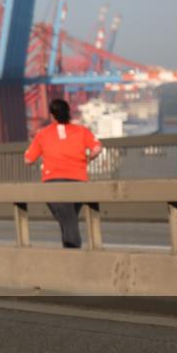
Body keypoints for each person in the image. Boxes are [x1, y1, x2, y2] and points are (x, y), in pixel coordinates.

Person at [24, 98, 103, 248]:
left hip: (53, 181)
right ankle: (69, 251)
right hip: (79, 180)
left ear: (52, 115)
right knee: (68, 217)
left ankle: (74, 250)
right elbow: (97, 148)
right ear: (68, 112)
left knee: (66, 218)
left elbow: (28, 160)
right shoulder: (81, 130)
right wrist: (89, 158)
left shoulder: (43, 134)